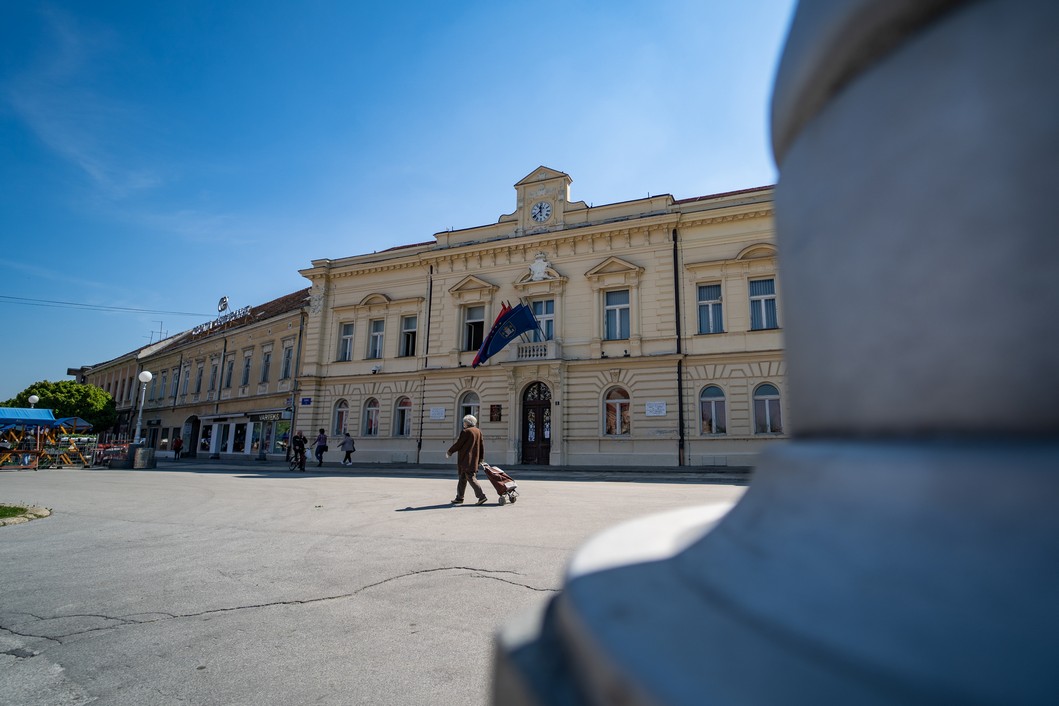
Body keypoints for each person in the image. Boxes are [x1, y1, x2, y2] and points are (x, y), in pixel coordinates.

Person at [446, 414, 488, 505]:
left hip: (466, 460)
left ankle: (481, 496)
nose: (463, 424)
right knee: (462, 478)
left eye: (464, 422)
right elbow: (481, 446)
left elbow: (459, 444)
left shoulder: (466, 432)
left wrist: (450, 451)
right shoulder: (478, 431)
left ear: (467, 423)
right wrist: (481, 458)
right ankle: (459, 498)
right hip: (473, 460)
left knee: (470, 477)